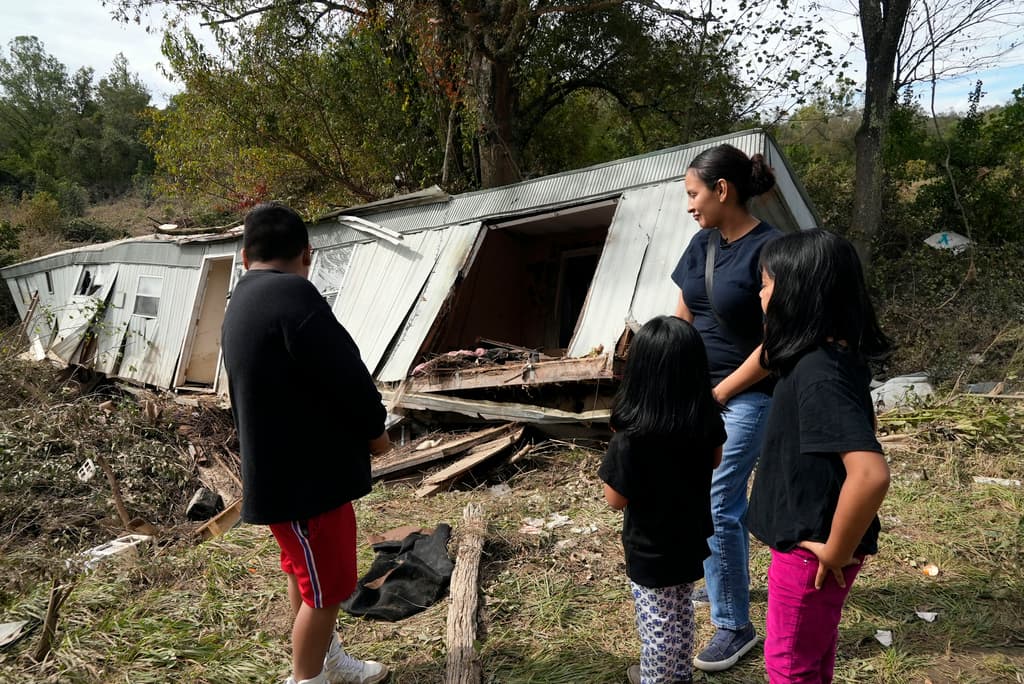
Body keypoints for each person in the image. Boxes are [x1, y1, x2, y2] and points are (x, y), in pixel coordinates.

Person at [221, 203, 392, 684]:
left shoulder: (241, 301)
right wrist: (376, 434)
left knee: (307, 578)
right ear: (307, 253)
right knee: (328, 591)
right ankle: (306, 678)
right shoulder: (295, 297)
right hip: (307, 484)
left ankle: (329, 662)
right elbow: (348, 378)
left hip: (279, 476)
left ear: (243, 256)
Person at [748, 229, 892, 683]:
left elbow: (870, 474)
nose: (760, 291)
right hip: (811, 542)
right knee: (812, 656)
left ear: (797, 292)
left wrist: (835, 550)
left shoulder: (818, 372)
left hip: (811, 555)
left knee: (789, 665)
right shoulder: (828, 355)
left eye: (767, 282)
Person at [670, 143, 781, 671]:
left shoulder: (773, 250)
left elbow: (777, 342)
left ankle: (734, 624)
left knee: (719, 501)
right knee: (694, 490)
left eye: (694, 194)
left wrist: (719, 392)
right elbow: (682, 316)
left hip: (748, 396)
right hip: (700, 392)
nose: (689, 205)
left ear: (722, 190)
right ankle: (720, 582)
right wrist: (670, 378)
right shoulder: (700, 245)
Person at [600, 315, 726, 684]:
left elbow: (615, 499)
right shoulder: (704, 419)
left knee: (656, 628)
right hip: (690, 540)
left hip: (649, 549)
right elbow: (717, 459)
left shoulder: (631, 437)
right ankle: (680, 675)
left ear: (640, 372)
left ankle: (655, 678)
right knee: (681, 614)